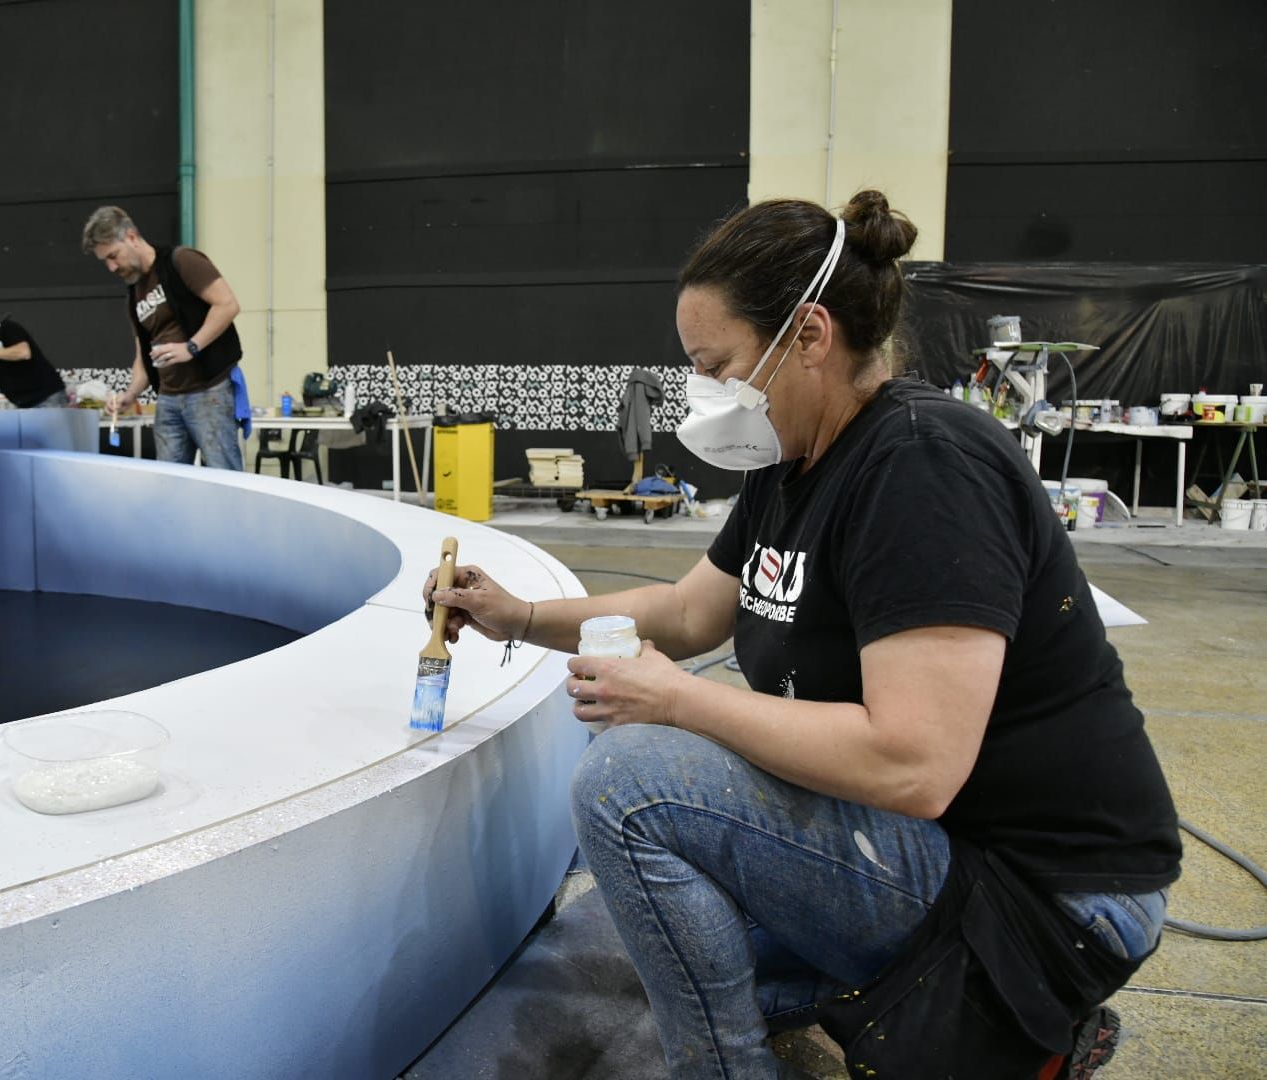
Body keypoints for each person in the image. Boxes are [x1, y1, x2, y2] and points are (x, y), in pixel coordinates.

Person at [425, 191, 1181, 1079]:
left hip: (1044, 898)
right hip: (936, 848)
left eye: (717, 365)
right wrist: (516, 615)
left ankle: (953, 1024)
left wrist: (677, 700)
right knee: (671, 940)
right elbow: (688, 611)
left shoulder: (921, 468)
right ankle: (986, 1029)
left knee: (629, 785)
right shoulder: (792, 462)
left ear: (810, 336)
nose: (705, 394)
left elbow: (913, 763)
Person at [81, 205, 245, 469]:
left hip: (208, 392)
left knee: (225, 477)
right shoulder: (134, 294)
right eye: (105, 261)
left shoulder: (181, 261)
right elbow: (142, 354)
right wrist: (130, 393)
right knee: (169, 482)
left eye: (113, 256)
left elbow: (227, 305)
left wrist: (191, 347)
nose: (111, 267)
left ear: (132, 237)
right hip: (168, 399)